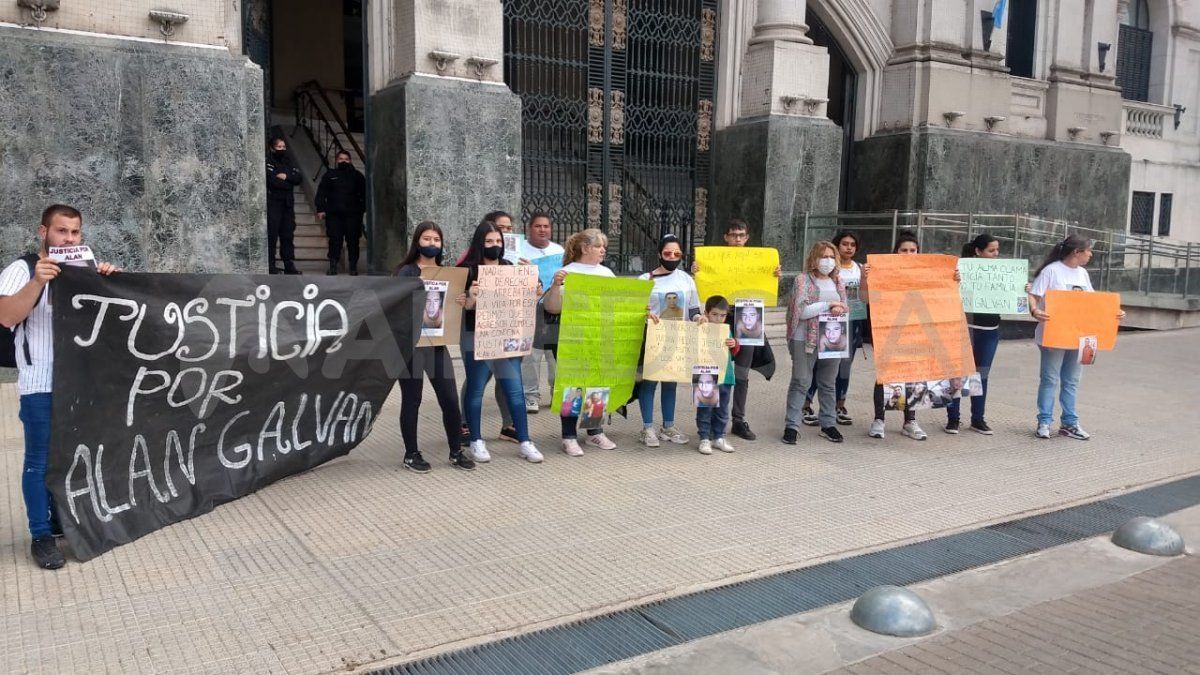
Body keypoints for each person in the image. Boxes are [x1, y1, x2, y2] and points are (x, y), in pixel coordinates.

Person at [0, 205, 120, 569]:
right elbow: (6, 316)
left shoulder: (83, 270)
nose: (68, 239)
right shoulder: (21, 269)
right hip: (40, 383)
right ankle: (41, 536)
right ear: (43, 232)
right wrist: (38, 281)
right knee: (39, 461)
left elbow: (108, 318)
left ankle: (63, 522)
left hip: (80, 382)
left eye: (75, 233)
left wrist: (109, 280)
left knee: (70, 458)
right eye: (61, 232)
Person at [393, 221, 476, 473]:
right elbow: (395, 305)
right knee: (412, 400)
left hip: (437, 345)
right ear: (417, 241)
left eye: (436, 240)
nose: (432, 244)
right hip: (409, 347)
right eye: (427, 239)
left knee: (450, 399)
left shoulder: (448, 274)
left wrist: (462, 300)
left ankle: (455, 451)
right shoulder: (406, 272)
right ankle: (411, 453)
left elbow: (453, 308)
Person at [459, 221, 543, 463]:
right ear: (479, 243)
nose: (494, 246)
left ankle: (525, 441)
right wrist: (471, 297)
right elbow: (462, 307)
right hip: (477, 338)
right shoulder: (468, 270)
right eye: (489, 242)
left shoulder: (509, 267)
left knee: (515, 391)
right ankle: (476, 440)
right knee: (475, 390)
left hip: (507, 338)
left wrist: (533, 290)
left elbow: (522, 303)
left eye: (498, 241)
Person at [1028, 234, 1124, 440]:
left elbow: (1091, 303)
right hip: (1053, 335)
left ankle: (1069, 423)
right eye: (1088, 251)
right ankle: (1044, 421)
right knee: (1050, 379)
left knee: (1071, 380)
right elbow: (1034, 295)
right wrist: (1035, 311)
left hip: (1077, 336)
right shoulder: (1051, 271)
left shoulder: (1082, 274)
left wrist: (1114, 313)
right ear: (1076, 252)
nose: (1090, 254)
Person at [692, 219, 780, 441]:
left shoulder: (758, 261)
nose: (737, 239)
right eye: (733, 235)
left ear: (747, 238)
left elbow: (766, 287)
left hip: (748, 317)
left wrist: (773, 276)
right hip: (718, 317)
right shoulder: (712, 259)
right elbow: (700, 286)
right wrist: (696, 272)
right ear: (725, 237)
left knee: (741, 374)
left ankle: (738, 420)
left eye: (741, 235)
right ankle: (708, 426)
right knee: (709, 368)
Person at [542, 228, 620, 456]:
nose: (603, 250)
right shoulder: (565, 273)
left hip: (599, 337)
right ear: (585, 248)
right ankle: (568, 436)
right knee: (572, 387)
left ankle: (594, 430)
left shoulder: (607, 273)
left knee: (598, 384)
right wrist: (556, 286)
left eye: (604, 246)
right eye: (598, 246)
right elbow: (552, 307)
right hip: (571, 339)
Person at [864, 231, 946, 441]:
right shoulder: (882, 272)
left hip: (917, 331)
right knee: (886, 375)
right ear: (895, 252)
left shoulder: (927, 273)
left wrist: (953, 280)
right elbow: (867, 298)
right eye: (904, 250)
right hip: (889, 330)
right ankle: (879, 419)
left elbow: (942, 296)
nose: (908, 253)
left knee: (914, 374)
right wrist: (866, 278)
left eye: (913, 250)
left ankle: (910, 421)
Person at [944, 233, 1027, 435]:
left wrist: (1022, 290)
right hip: (964, 327)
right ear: (978, 251)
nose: (995, 254)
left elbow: (1017, 302)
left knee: (981, 375)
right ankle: (953, 418)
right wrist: (953, 280)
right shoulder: (961, 270)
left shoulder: (1002, 272)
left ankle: (977, 419)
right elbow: (947, 294)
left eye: (997, 250)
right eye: (991, 250)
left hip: (989, 330)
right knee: (958, 373)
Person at [638, 234, 702, 447]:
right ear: (659, 254)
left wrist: (698, 318)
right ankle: (647, 428)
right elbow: (635, 310)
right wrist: (644, 314)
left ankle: (668, 426)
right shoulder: (645, 280)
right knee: (649, 383)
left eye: (677, 253)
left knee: (670, 383)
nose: (672, 257)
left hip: (678, 337)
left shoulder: (686, 279)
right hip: (653, 337)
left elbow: (692, 308)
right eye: (668, 253)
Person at [783, 241, 849, 444]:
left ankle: (828, 424)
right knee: (801, 381)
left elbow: (845, 306)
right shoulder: (802, 280)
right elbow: (801, 312)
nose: (828, 261)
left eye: (831, 256)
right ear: (814, 258)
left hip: (832, 339)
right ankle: (791, 426)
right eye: (823, 256)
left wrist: (840, 308)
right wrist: (829, 305)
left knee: (828, 383)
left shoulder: (837, 281)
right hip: (805, 339)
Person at [803, 230, 864, 427]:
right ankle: (806, 403)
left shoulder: (861, 268)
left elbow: (865, 297)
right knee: (819, 365)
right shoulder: (830, 273)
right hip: (825, 322)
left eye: (852, 244)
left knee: (843, 365)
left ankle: (839, 405)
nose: (849, 247)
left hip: (851, 321)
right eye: (845, 243)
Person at [520, 212, 565, 414]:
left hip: (556, 309)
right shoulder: (519, 251)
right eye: (538, 226)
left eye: (546, 226)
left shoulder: (559, 251)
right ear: (529, 228)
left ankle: (557, 392)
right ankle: (531, 396)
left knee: (555, 355)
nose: (542, 230)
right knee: (531, 356)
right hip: (530, 309)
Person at [694, 296, 738, 455]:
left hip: (725, 376)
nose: (718, 319)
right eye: (714, 314)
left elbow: (734, 353)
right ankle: (704, 437)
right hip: (705, 376)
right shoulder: (700, 327)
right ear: (706, 313)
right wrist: (701, 320)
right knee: (705, 408)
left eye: (722, 315)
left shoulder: (726, 330)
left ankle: (719, 436)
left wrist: (734, 344)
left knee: (722, 409)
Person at [315, 149, 367, 276]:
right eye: (341, 159)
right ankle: (333, 266)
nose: (344, 161)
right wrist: (320, 209)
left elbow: (365, 194)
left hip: (353, 215)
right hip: (334, 214)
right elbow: (321, 193)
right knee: (334, 240)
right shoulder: (330, 175)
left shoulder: (357, 176)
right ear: (337, 160)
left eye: (346, 159)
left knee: (353, 241)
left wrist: (362, 209)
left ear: (350, 161)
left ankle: (353, 267)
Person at [265, 137, 302, 275]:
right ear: (272, 148)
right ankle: (271, 264)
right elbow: (272, 181)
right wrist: (289, 180)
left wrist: (286, 177)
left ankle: (288, 264)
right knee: (272, 234)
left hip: (288, 203)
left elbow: (299, 178)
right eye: (279, 147)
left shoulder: (288, 161)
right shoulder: (268, 162)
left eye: (284, 146)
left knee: (287, 234)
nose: (282, 149)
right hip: (274, 202)